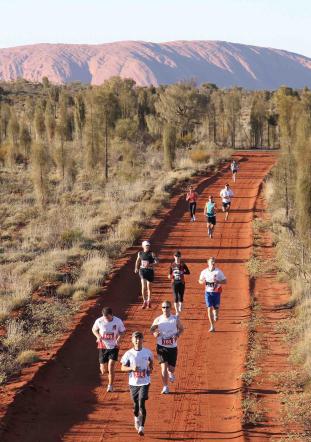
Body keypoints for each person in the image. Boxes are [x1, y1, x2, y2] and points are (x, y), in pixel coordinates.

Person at [121, 331, 153, 437]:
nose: (137, 340)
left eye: (139, 338)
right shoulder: (128, 353)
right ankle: (136, 418)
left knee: (141, 402)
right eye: (135, 338)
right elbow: (122, 367)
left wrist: (150, 367)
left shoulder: (148, 352)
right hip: (133, 383)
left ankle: (142, 427)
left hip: (145, 382)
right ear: (132, 340)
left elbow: (151, 365)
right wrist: (131, 368)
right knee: (135, 405)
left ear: (142, 339)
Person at [150, 300, 184, 394]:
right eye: (163, 307)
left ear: (170, 308)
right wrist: (155, 333)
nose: (165, 309)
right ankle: (165, 386)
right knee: (163, 367)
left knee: (171, 369)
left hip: (172, 347)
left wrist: (177, 335)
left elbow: (181, 329)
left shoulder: (175, 319)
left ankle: (170, 373)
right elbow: (152, 329)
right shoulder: (158, 319)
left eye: (167, 307)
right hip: (161, 347)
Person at [92, 307, 126, 392]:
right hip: (103, 346)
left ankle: (110, 386)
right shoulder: (99, 321)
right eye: (104, 317)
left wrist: (119, 339)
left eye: (107, 317)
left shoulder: (118, 321)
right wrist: (98, 336)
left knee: (111, 366)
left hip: (114, 346)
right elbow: (94, 329)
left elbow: (122, 331)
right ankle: (102, 365)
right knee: (103, 370)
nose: (105, 319)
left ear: (111, 315)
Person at [198, 257, 227, 332]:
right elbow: (200, 281)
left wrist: (218, 282)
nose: (213, 263)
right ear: (208, 263)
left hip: (216, 292)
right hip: (208, 292)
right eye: (211, 262)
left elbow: (225, 281)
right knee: (209, 308)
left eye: (214, 261)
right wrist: (202, 281)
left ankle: (216, 314)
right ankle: (212, 326)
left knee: (216, 310)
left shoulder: (218, 272)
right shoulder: (204, 272)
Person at [135, 240, 158, 309]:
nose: (147, 247)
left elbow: (157, 261)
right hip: (142, 270)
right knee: (143, 286)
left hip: (150, 271)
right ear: (143, 246)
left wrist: (150, 264)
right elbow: (137, 260)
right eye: (146, 246)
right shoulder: (140, 253)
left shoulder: (152, 253)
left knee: (149, 287)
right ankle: (144, 301)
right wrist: (136, 268)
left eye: (148, 246)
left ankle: (149, 300)